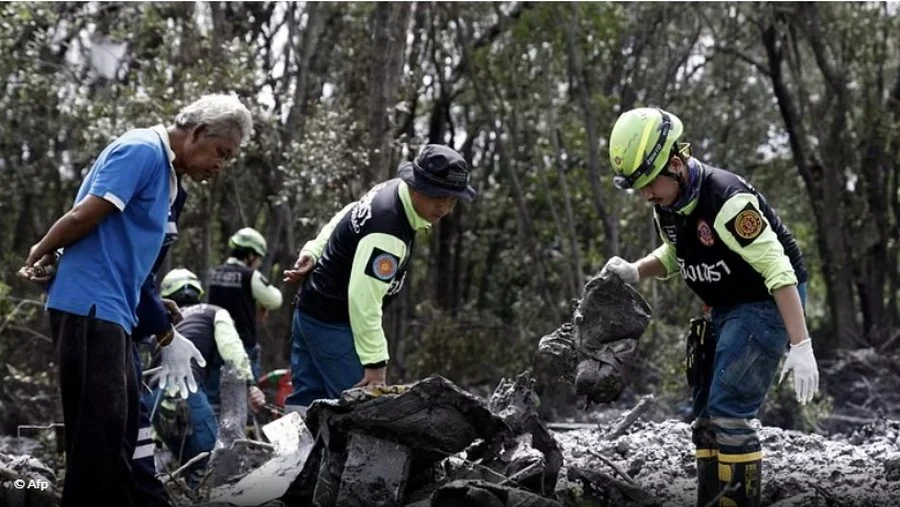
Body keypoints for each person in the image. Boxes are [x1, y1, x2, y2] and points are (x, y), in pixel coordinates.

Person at [18, 94, 253, 506]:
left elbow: (131, 262)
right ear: (197, 132)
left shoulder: (170, 181)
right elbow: (85, 215)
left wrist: (159, 314)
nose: (221, 165)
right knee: (98, 442)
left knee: (120, 438)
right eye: (221, 153)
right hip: (90, 306)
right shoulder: (142, 150)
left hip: (116, 312)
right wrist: (44, 248)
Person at [602, 107, 820, 507]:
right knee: (703, 418)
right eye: (639, 187)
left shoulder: (727, 201)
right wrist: (636, 270)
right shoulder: (668, 203)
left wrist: (800, 344)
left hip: (765, 301)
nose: (647, 194)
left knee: (729, 413)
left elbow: (779, 269)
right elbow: (677, 252)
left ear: (676, 163)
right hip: (722, 305)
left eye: (650, 183)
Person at [281, 144, 476, 416]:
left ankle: (289, 457)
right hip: (334, 326)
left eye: (452, 200)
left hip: (310, 311)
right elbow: (363, 301)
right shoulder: (388, 235)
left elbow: (348, 210)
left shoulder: (392, 189)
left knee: (307, 403)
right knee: (362, 415)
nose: (444, 207)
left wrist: (315, 249)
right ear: (417, 186)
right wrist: (375, 364)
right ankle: (310, 458)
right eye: (438, 197)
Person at [145, 268, 266, 485]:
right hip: (185, 391)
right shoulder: (214, 312)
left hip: (153, 398)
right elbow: (233, 350)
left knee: (192, 467)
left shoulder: (162, 328)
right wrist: (250, 384)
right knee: (213, 465)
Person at [207, 227, 283, 389]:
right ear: (250, 255)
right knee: (245, 397)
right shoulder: (250, 276)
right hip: (243, 347)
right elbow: (275, 299)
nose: (259, 263)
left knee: (214, 395)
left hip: (216, 345)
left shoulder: (216, 273)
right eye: (259, 259)